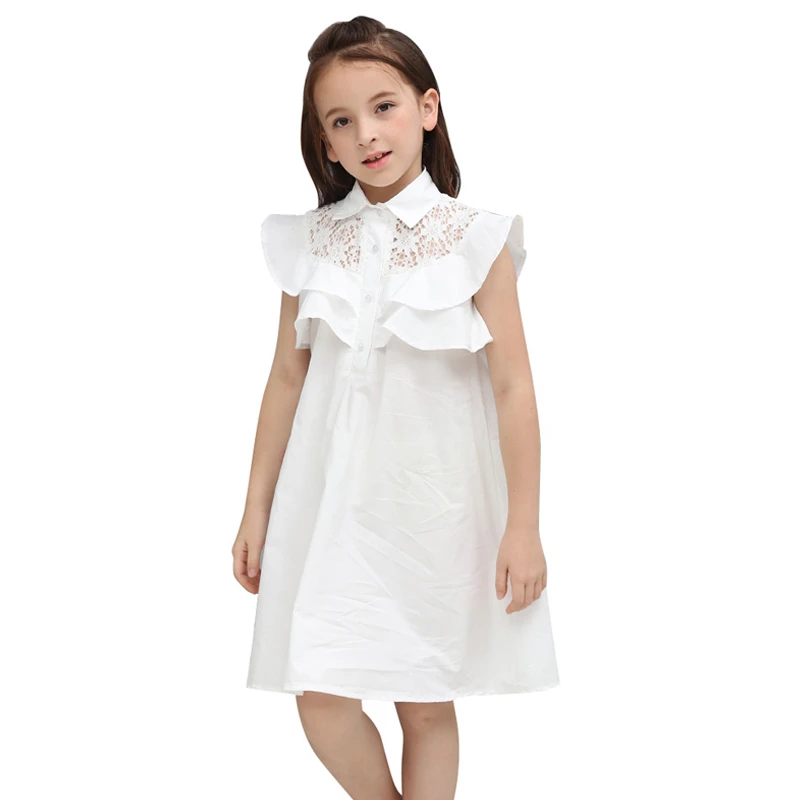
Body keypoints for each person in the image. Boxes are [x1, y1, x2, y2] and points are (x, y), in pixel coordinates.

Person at [232, 15, 559, 800]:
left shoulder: (475, 239)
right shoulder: (310, 242)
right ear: (324, 142)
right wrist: (255, 507)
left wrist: (523, 524)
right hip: (328, 501)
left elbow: (514, 387)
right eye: (341, 121)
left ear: (427, 108)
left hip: (431, 504)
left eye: (383, 107)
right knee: (320, 695)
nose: (367, 133)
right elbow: (286, 378)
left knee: (424, 695)